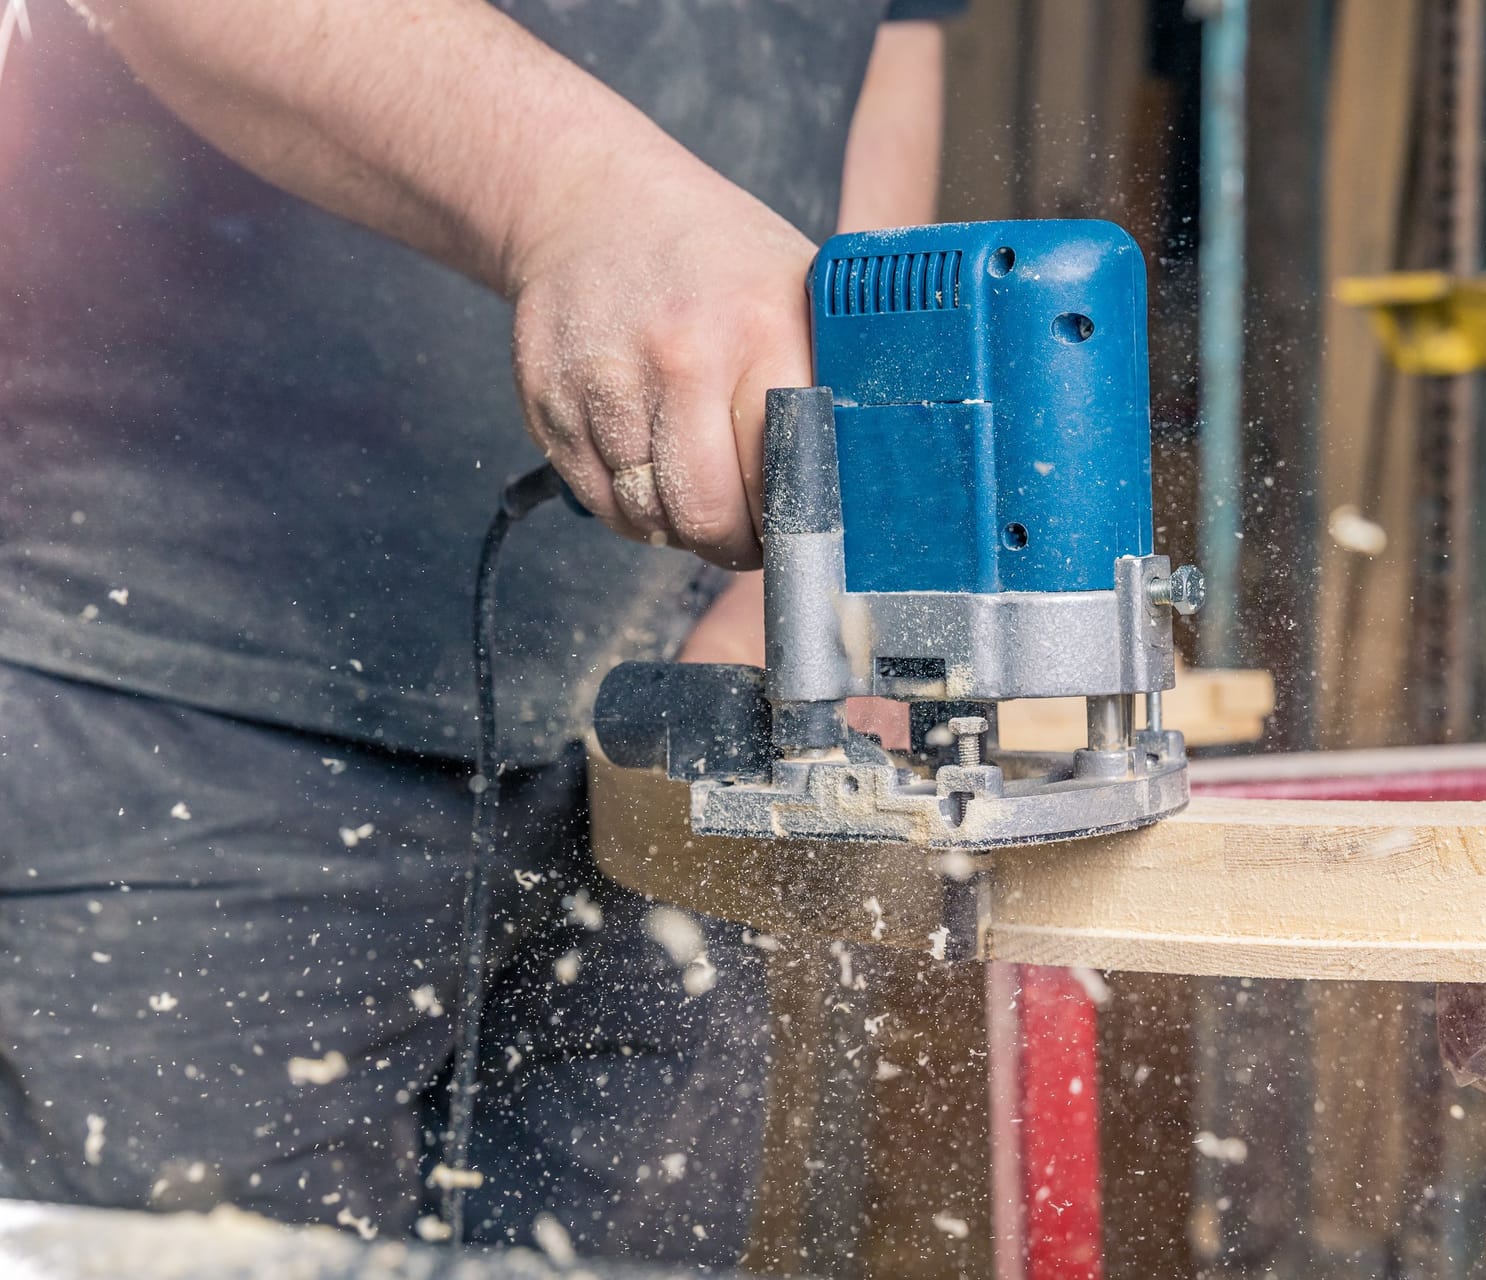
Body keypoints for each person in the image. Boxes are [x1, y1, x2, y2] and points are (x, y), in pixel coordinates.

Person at [0, 0, 955, 1262]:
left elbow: (887, 59)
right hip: (190, 704)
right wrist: (577, 192)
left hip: (667, 730)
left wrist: (825, 571)